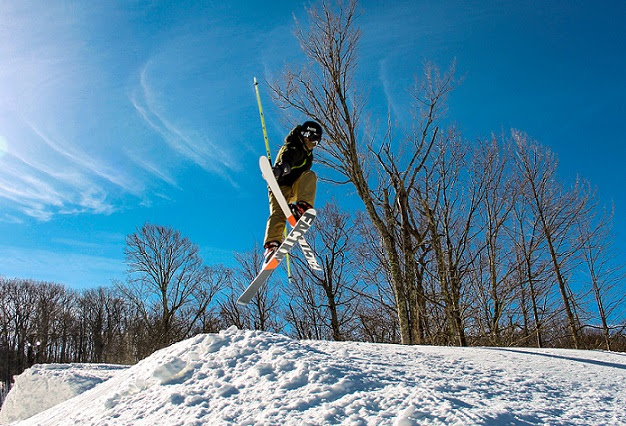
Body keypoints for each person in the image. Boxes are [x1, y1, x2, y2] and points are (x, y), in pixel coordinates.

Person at [263, 120, 323, 263]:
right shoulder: (293, 145)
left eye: (318, 142)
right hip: (280, 186)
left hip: (294, 188)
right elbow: (288, 158)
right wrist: (281, 168)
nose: (315, 144)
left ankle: (302, 208)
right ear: (306, 134)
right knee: (278, 214)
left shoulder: (309, 157)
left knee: (310, 176)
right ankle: (272, 245)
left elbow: (304, 177)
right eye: (314, 139)